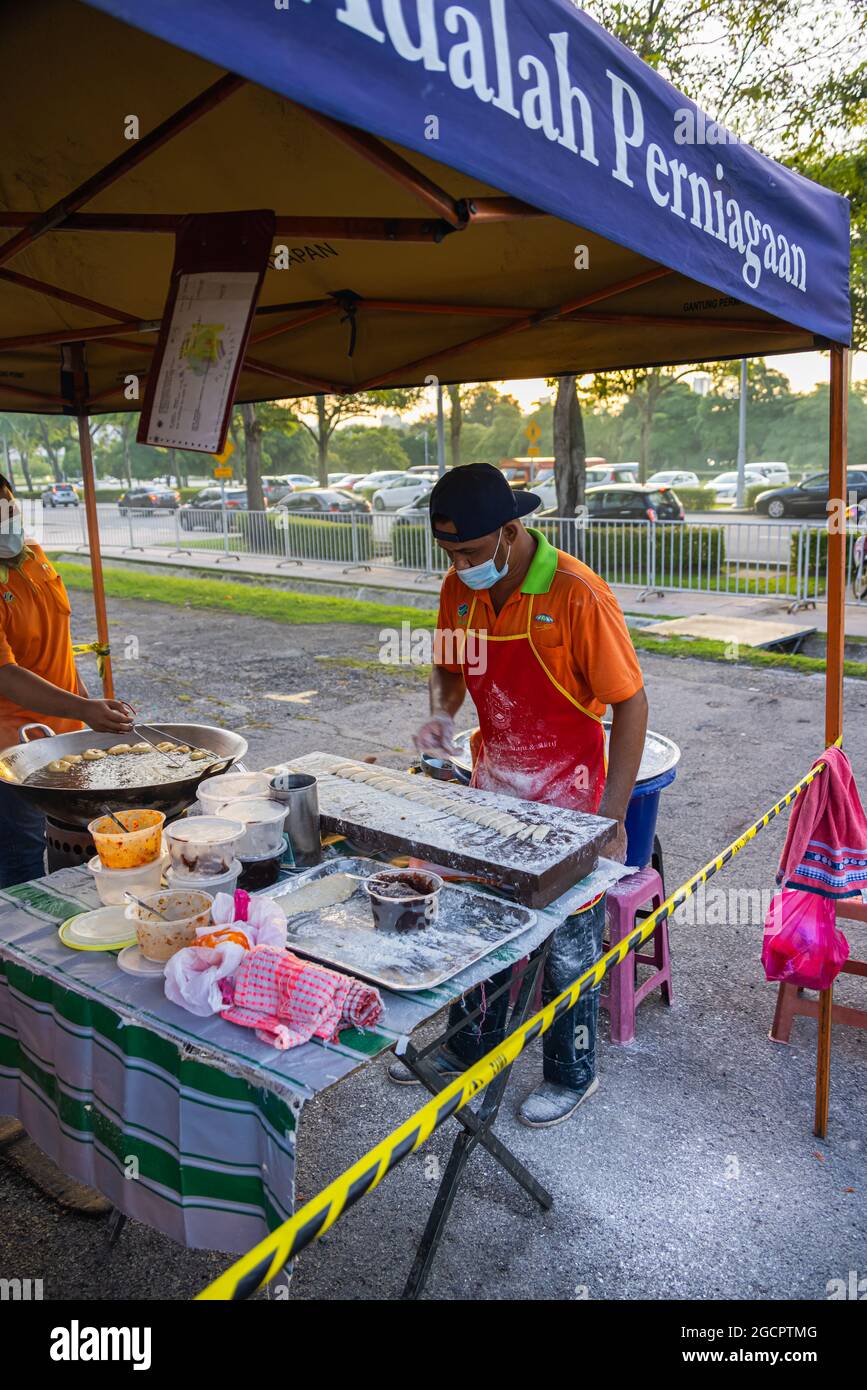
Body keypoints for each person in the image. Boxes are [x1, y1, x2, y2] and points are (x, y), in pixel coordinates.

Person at [391, 463, 648, 1127]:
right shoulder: (458, 589)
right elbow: (450, 665)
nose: (459, 565)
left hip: (570, 797)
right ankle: (465, 1049)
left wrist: (609, 817)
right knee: (480, 924)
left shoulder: (575, 593)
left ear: (509, 531)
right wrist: (441, 717)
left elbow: (629, 703)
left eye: (470, 552)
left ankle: (571, 1071)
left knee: (566, 944)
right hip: (494, 787)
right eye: (449, 553)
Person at [0, 472, 134, 887]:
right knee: (20, 855)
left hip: (62, 738)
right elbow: (5, 675)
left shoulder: (35, 556)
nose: (6, 520)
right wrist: (82, 709)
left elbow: (57, 644)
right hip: (11, 749)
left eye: (8, 507)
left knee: (73, 836)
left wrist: (89, 706)